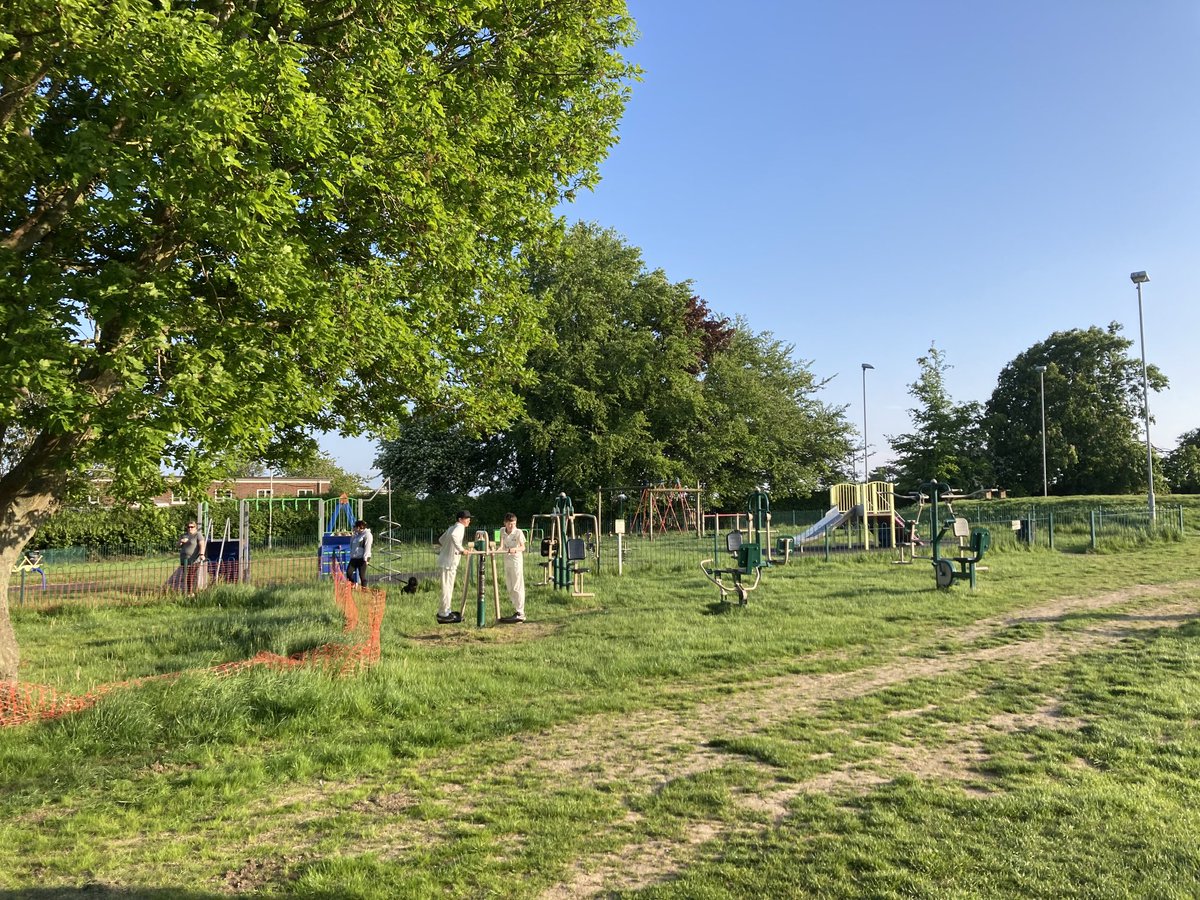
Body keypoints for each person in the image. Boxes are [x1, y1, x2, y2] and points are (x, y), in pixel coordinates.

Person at [435, 509, 473, 624]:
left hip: (446, 561)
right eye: (467, 519)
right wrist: (461, 550)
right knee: (447, 588)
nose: (469, 521)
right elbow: (454, 536)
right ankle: (443, 614)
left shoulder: (451, 527)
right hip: (449, 563)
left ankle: (447, 611)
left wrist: (449, 548)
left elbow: (441, 540)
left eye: (469, 519)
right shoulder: (459, 527)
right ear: (460, 519)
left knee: (448, 587)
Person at [498, 513, 526, 623]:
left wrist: (515, 549)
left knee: (517, 586)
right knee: (509, 586)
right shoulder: (502, 531)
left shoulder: (518, 532)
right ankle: (516, 610)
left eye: (513, 524)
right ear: (505, 523)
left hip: (516, 561)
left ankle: (520, 612)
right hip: (507, 560)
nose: (511, 526)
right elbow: (501, 546)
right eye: (509, 524)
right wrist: (496, 550)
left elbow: (523, 547)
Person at [178, 520, 204, 593]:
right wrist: (181, 541)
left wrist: (202, 554)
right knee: (186, 576)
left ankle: (190, 592)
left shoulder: (198, 535)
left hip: (194, 559)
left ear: (195, 527)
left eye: (192, 527)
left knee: (190, 575)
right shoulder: (184, 535)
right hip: (184, 559)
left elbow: (202, 544)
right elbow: (177, 545)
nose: (190, 528)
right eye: (188, 527)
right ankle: (188, 591)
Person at [346, 519, 372, 587]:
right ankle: (353, 586)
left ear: (358, 527)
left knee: (362, 576)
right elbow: (351, 546)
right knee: (349, 573)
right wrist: (352, 536)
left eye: (354, 526)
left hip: (362, 558)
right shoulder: (356, 535)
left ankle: (364, 589)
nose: (353, 528)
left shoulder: (367, 535)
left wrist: (366, 559)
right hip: (354, 558)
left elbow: (367, 547)